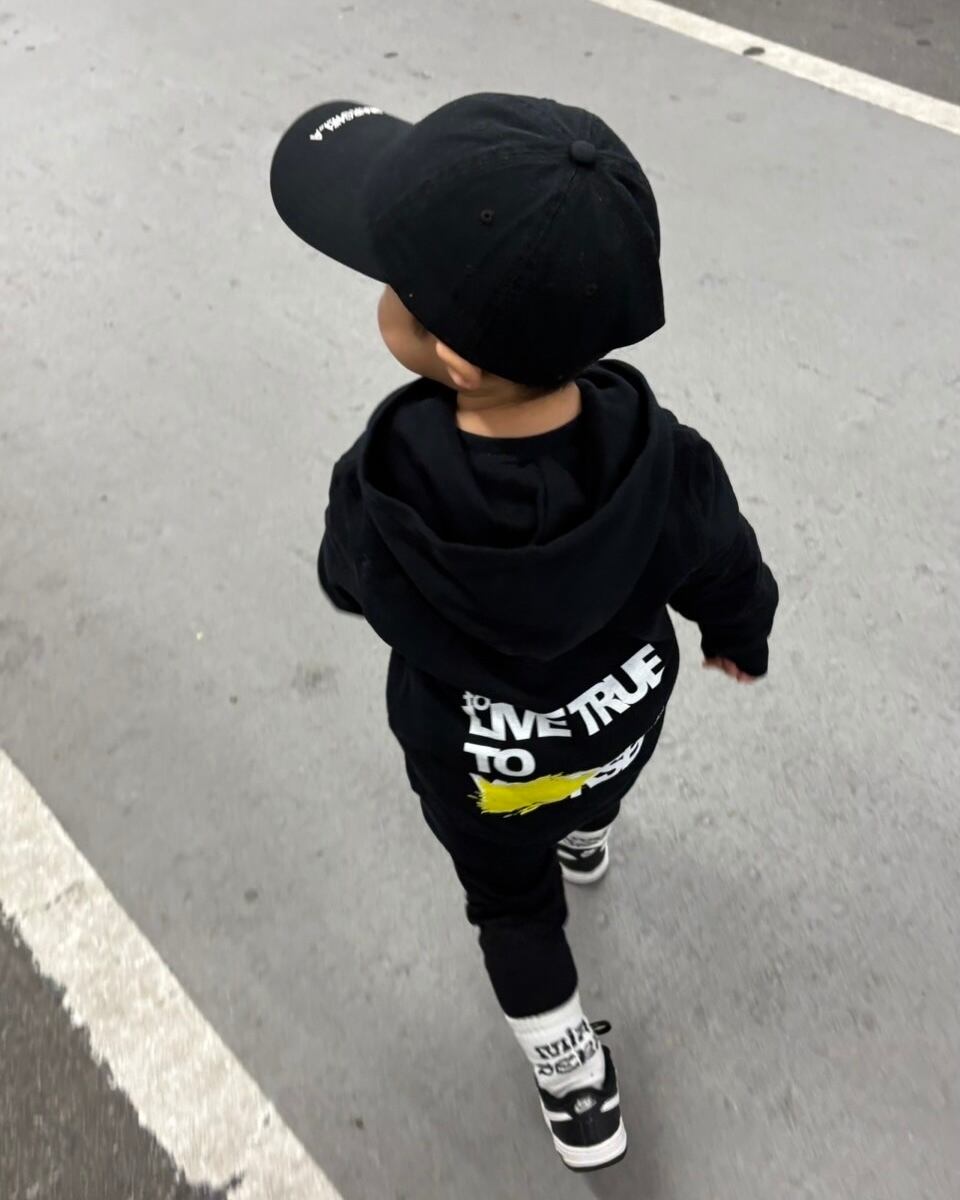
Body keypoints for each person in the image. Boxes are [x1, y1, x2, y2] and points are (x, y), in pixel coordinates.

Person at [270, 93, 778, 1173]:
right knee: (587, 788)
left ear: (450, 357)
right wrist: (742, 634)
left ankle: (573, 1080)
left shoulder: (381, 494)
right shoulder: (667, 460)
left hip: (478, 767)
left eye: (393, 282)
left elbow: (346, 585)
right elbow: (729, 566)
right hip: (617, 726)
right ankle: (586, 826)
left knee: (511, 907)